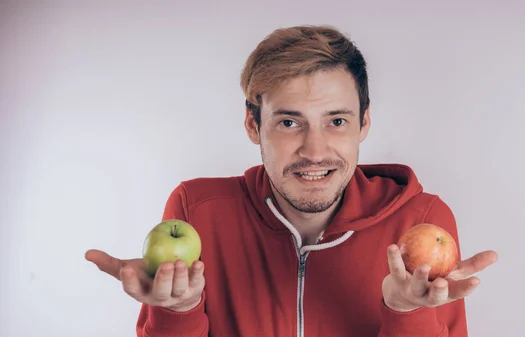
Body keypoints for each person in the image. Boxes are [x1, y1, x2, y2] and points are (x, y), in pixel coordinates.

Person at [85, 24, 498, 337]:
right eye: (288, 122)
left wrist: (406, 314)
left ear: (364, 122)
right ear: (253, 124)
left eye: (336, 121)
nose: (314, 151)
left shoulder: (422, 221)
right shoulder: (196, 210)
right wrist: (180, 311)